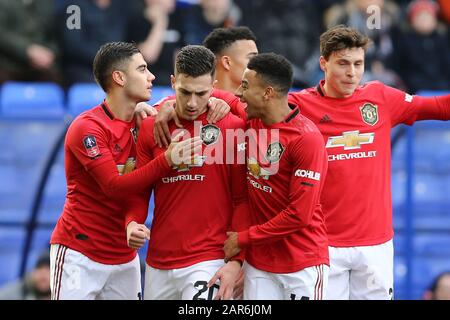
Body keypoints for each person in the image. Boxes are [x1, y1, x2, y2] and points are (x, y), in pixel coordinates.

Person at [287, 25, 450, 300]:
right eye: (343, 64)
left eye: (358, 64)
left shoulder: (380, 97)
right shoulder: (297, 106)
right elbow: (249, 110)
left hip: (375, 245)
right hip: (322, 245)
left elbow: (438, 108)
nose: (352, 73)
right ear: (323, 63)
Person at [49, 42, 201, 300]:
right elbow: (114, 186)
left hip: (124, 255)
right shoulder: (87, 127)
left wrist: (222, 103)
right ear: (119, 77)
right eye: (142, 69)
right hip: (80, 253)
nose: (152, 76)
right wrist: (168, 160)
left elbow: (200, 95)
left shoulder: (146, 122)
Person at [124, 45, 249, 300]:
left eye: (201, 93)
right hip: (159, 260)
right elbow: (140, 193)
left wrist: (236, 259)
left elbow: (242, 199)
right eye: (185, 92)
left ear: (214, 87)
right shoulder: (151, 127)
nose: (192, 103)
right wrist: (132, 223)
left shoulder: (232, 128)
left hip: (209, 259)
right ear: (172, 83)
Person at [221, 53, 329, 300]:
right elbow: (219, 95)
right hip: (260, 264)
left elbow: (299, 215)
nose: (239, 93)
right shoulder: (253, 121)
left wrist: (244, 239)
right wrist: (156, 108)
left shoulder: (306, 139)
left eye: (246, 86)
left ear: (268, 93)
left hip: (301, 263)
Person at [202, 26, 258, 93]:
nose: (259, 63)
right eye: (252, 58)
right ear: (227, 62)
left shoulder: (262, 101)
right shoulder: (196, 102)